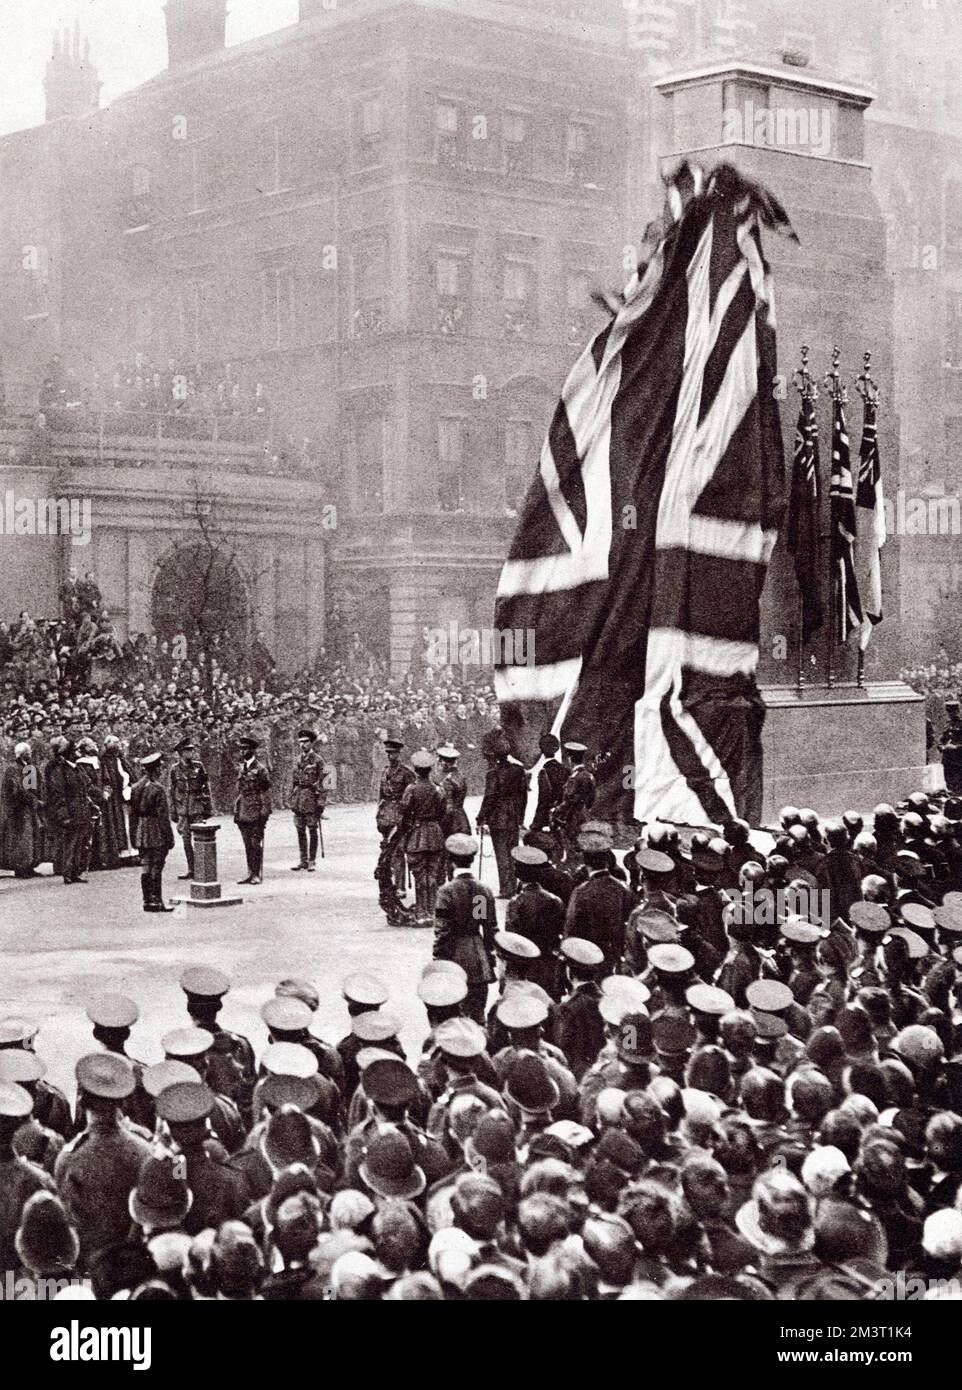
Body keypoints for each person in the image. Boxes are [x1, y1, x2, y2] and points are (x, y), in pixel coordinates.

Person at [433, 835, 497, 1025]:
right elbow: (489, 926)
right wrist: (489, 956)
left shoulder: (446, 891)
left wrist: (438, 958)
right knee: (478, 1014)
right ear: (472, 860)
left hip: (455, 955)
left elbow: (443, 931)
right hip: (478, 957)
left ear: (450, 861)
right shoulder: (482, 890)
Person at [477, 730, 528, 898]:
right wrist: (521, 817)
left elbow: (489, 797)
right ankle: (514, 885)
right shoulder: (518, 771)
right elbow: (523, 796)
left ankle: (506, 888)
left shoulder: (493, 774)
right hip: (513, 815)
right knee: (513, 851)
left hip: (498, 818)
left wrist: (480, 817)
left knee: (501, 854)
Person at [401, 751, 447, 924]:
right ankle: (433, 911)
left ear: (415, 769)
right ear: (430, 769)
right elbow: (443, 811)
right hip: (435, 833)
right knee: (433, 875)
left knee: (420, 876)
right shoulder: (438, 788)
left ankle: (422, 913)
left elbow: (405, 812)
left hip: (418, 834)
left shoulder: (411, 789)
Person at [375, 735, 415, 924]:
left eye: (394, 754)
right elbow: (382, 794)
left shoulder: (406, 773)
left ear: (399, 754)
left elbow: (411, 795)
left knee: (399, 850)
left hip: (400, 813)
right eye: (389, 754)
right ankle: (393, 883)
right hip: (386, 815)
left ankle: (400, 886)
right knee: (389, 851)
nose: (391, 757)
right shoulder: (384, 772)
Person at [129, 750, 175, 912]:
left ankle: (147, 901)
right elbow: (163, 817)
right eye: (160, 768)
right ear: (155, 770)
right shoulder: (158, 789)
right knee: (157, 865)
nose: (161, 771)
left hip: (141, 830)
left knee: (146, 866)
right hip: (155, 830)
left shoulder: (136, 787)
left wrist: (133, 835)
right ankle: (157, 901)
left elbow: (132, 814)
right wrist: (169, 838)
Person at [169, 737, 212, 880]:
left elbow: (206, 787)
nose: (192, 753)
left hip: (197, 806)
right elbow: (172, 790)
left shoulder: (198, 766)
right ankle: (191, 868)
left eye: (192, 750)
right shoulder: (174, 770)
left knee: (200, 838)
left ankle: (201, 868)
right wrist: (173, 810)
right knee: (186, 840)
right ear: (181, 753)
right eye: (188, 751)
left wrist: (207, 808)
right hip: (183, 808)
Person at [0, 741, 44, 878]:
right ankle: (21, 867)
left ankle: (30, 865)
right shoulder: (13, 768)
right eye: (28, 752)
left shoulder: (28, 768)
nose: (30, 754)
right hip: (17, 809)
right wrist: (34, 800)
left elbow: (30, 788)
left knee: (31, 837)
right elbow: (18, 791)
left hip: (27, 808)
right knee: (21, 839)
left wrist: (35, 799)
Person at [233, 736, 272, 885]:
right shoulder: (242, 767)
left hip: (256, 809)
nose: (242, 752)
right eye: (241, 749)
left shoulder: (261, 769)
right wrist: (236, 808)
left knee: (256, 843)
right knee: (247, 844)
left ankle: (256, 874)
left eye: (245, 749)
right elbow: (239, 790)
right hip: (243, 810)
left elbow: (266, 792)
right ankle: (250, 872)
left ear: (252, 750)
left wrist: (265, 811)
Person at [290, 728, 328, 872]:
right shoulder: (297, 759)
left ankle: (312, 860)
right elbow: (293, 781)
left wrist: (321, 802)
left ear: (311, 743)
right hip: (299, 797)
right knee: (300, 829)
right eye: (300, 742)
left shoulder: (318, 760)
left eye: (305, 742)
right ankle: (303, 860)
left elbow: (325, 783)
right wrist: (292, 798)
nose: (302, 745)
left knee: (312, 829)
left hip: (312, 797)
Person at [551, 742, 596, 866]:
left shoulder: (575, 778)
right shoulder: (589, 776)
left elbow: (569, 800)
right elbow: (592, 799)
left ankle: (573, 872)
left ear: (570, 758)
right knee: (582, 846)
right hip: (584, 815)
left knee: (572, 846)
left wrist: (557, 810)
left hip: (573, 817)